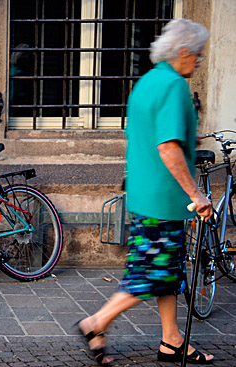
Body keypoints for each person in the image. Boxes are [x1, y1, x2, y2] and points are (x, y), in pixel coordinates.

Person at [76, 18, 214, 366]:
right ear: (183, 51)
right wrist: (197, 195)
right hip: (165, 199)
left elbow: (152, 132)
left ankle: (172, 341)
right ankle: (96, 323)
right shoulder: (173, 86)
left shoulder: (149, 81)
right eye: (197, 54)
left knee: (167, 272)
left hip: (145, 192)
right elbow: (167, 146)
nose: (199, 61)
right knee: (151, 274)